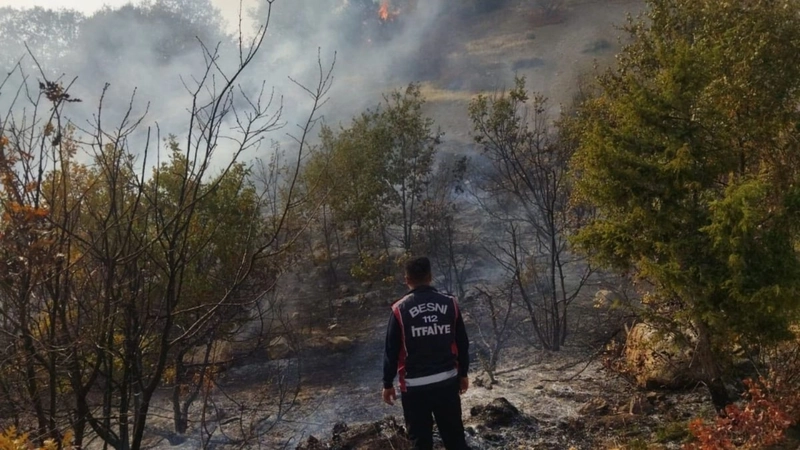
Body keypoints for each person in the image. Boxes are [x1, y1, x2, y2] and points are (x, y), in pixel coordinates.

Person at [382, 256, 470, 450]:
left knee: (420, 443)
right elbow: (462, 343)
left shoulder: (399, 309)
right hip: (447, 382)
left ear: (407, 279)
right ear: (430, 277)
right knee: (455, 439)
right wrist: (463, 373)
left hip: (414, 388)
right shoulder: (450, 304)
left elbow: (391, 349)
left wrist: (387, 383)